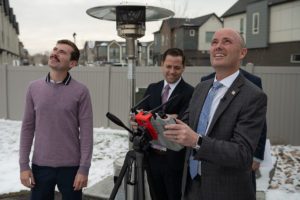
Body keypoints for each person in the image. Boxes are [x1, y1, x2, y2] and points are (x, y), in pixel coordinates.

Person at [163, 28, 267, 200]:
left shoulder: (254, 96)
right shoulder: (201, 88)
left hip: (226, 191)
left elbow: (242, 154)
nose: (218, 46)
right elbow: (186, 125)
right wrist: (158, 123)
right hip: (192, 186)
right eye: (214, 42)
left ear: (242, 53)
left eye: (226, 41)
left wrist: (197, 141)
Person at [19, 39, 93, 200]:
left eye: (62, 52)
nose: (55, 53)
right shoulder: (33, 88)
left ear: (72, 63)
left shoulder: (81, 91)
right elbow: (27, 128)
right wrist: (24, 165)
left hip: (71, 168)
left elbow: (86, 133)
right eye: (55, 49)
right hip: (41, 166)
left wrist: (84, 169)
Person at [138, 48, 194, 200]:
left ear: (184, 68)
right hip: (152, 156)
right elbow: (139, 113)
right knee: (156, 196)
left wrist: (155, 118)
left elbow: (184, 121)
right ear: (162, 65)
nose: (172, 71)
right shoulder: (152, 88)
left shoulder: (190, 92)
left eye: (177, 67)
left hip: (174, 159)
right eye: (168, 66)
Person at [201, 68, 267, 194]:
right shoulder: (206, 81)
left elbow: (260, 123)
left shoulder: (253, 81)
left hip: (240, 150)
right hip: (209, 154)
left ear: (242, 53)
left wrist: (257, 155)